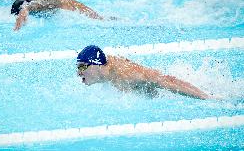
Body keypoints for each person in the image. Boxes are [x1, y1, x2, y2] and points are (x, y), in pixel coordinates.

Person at [77, 45, 211, 99]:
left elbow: (166, 81)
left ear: (96, 65)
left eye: (82, 67)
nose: (79, 73)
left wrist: (206, 97)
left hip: (169, 95)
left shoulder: (126, 74)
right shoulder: (105, 72)